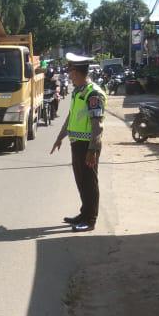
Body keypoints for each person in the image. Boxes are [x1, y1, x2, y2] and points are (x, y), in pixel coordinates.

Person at [50, 53, 107, 232]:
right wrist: (60, 137)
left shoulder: (93, 93)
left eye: (70, 71)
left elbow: (97, 125)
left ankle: (90, 220)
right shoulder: (78, 91)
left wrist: (93, 149)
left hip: (88, 145)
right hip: (77, 144)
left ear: (77, 72)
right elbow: (72, 116)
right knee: (81, 181)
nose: (69, 74)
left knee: (89, 183)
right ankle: (84, 213)